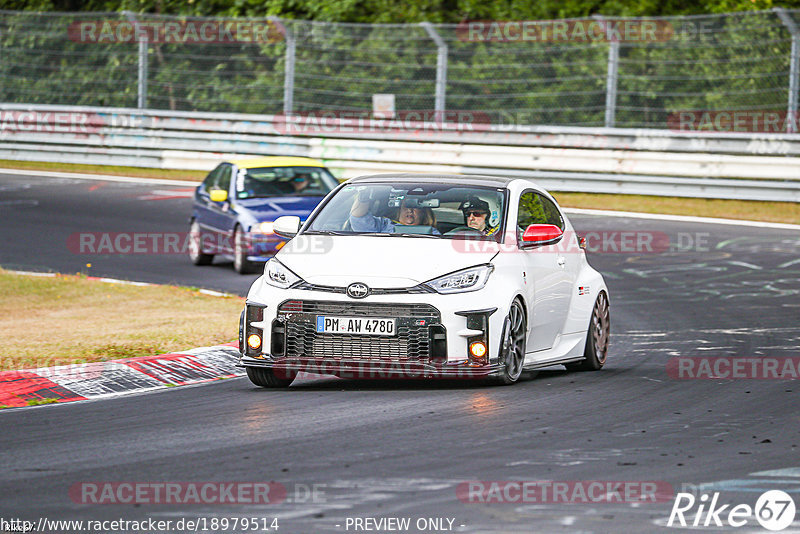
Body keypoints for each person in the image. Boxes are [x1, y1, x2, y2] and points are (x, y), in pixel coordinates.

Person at [349, 191, 438, 233]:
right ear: (400, 210)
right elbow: (358, 218)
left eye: (415, 206)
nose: (410, 210)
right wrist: (364, 194)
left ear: (424, 213)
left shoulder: (432, 233)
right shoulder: (384, 225)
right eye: (406, 205)